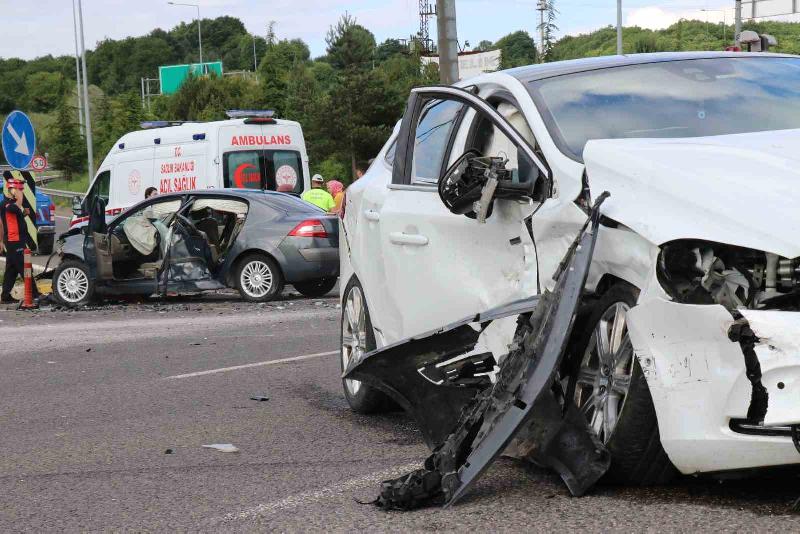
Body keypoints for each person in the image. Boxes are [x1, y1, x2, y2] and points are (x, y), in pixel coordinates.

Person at [0, 179, 39, 304]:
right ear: (11, 190)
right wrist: (19, 195)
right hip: (14, 242)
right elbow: (9, 214)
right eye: (19, 189)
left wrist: (24, 214)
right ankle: (35, 294)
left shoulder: (12, 204)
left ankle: (5, 296)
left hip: (16, 242)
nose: (21, 191)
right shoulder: (7, 204)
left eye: (21, 189)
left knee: (11, 270)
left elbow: (14, 219)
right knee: (25, 267)